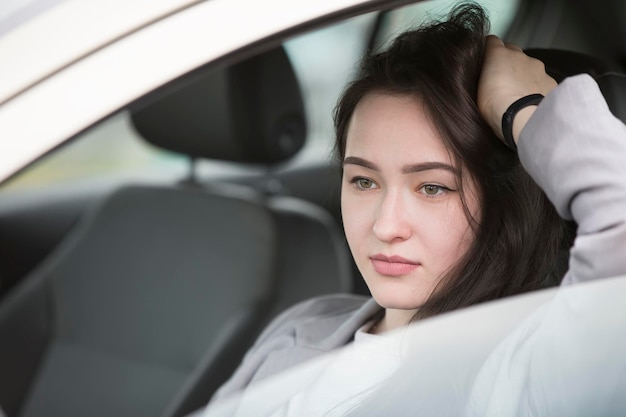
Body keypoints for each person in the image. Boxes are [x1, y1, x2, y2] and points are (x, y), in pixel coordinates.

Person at [206, 2, 626, 413]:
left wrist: (527, 109)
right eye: (364, 181)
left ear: (501, 202)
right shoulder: (303, 327)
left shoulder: (533, 373)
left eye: (431, 187)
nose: (386, 227)